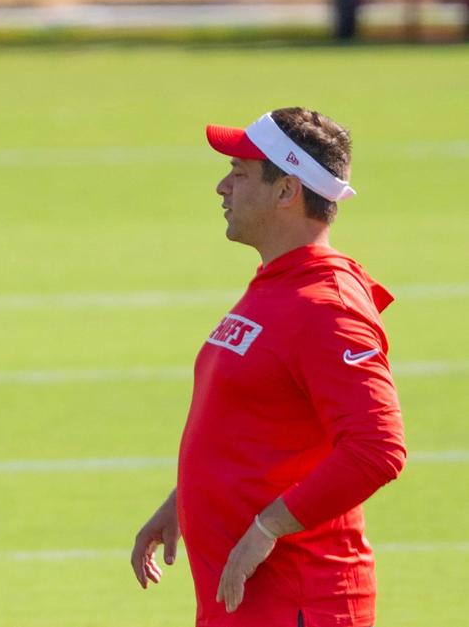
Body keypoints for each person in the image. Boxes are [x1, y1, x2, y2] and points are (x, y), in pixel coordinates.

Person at [130, 107, 407, 627]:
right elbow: (252, 419)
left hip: (300, 601)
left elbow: (378, 449)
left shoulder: (328, 304)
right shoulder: (279, 282)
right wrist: (182, 502)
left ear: (287, 192)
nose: (221, 186)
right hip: (250, 602)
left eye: (239, 174)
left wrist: (267, 529)